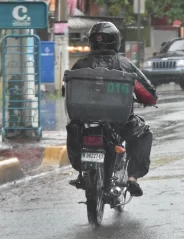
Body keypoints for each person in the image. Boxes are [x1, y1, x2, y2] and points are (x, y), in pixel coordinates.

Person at [64, 21, 158, 197]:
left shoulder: (79, 65)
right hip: (119, 122)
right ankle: (132, 178)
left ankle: (82, 172)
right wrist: (149, 100)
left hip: (84, 121)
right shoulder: (124, 65)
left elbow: (67, 91)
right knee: (144, 133)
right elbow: (148, 94)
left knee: (73, 127)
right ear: (115, 41)